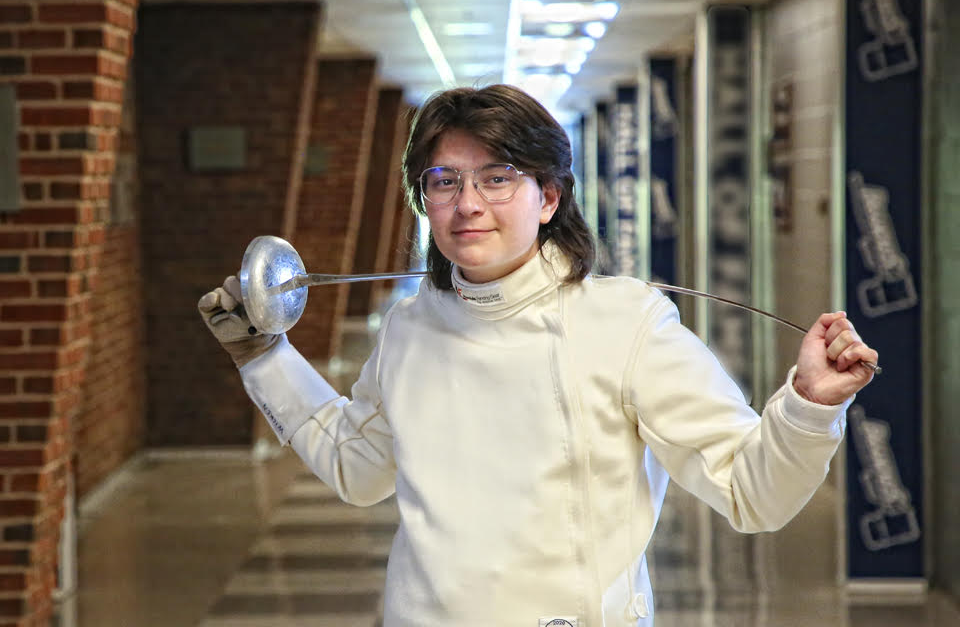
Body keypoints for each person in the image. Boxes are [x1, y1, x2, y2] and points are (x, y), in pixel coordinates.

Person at [198, 84, 878, 627]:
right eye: (444, 182)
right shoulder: (410, 328)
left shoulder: (626, 321)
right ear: (424, 201)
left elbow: (750, 491)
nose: (468, 206)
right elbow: (359, 467)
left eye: (497, 179)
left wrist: (810, 406)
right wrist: (264, 356)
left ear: (548, 196)